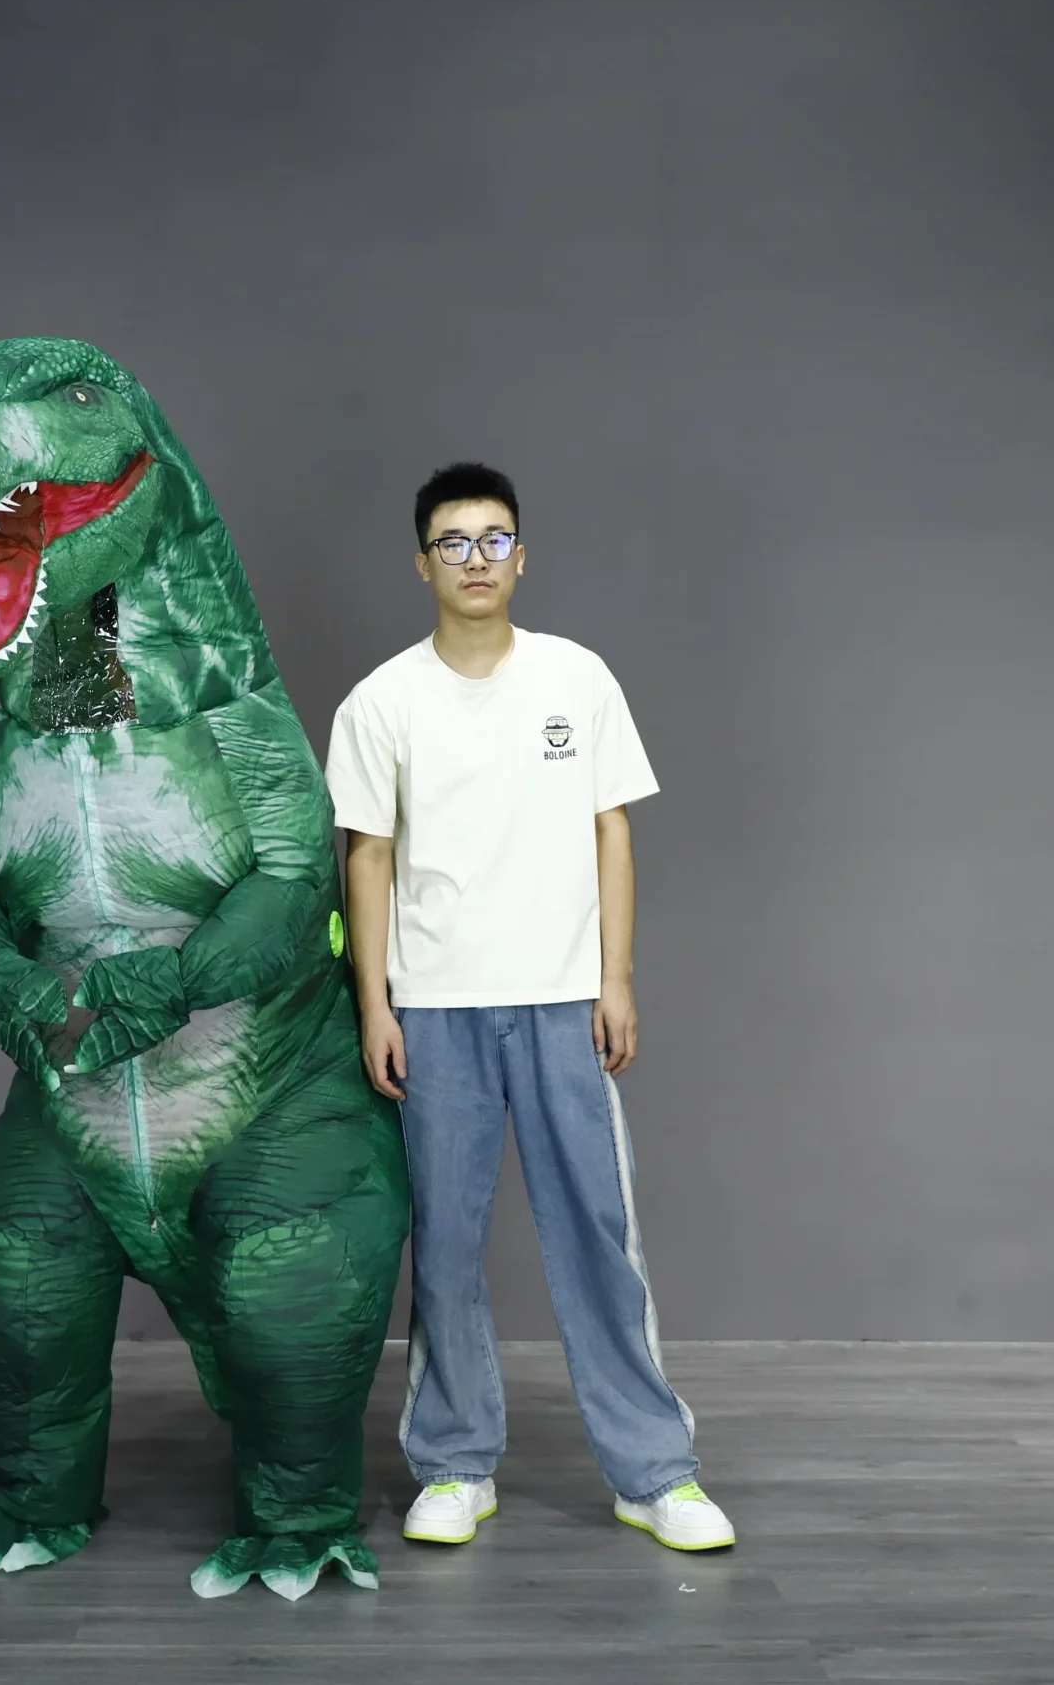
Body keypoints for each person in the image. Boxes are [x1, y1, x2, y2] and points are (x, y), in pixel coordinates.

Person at [323, 461, 735, 1553]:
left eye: (494, 539)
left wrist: (617, 978)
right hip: (435, 1010)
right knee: (446, 1247)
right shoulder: (382, 701)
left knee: (600, 1238)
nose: (476, 559)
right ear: (422, 564)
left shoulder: (576, 679)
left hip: (561, 1003)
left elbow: (612, 829)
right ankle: (455, 1464)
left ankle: (656, 1473)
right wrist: (375, 1007)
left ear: (522, 555)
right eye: (453, 542)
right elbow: (367, 859)